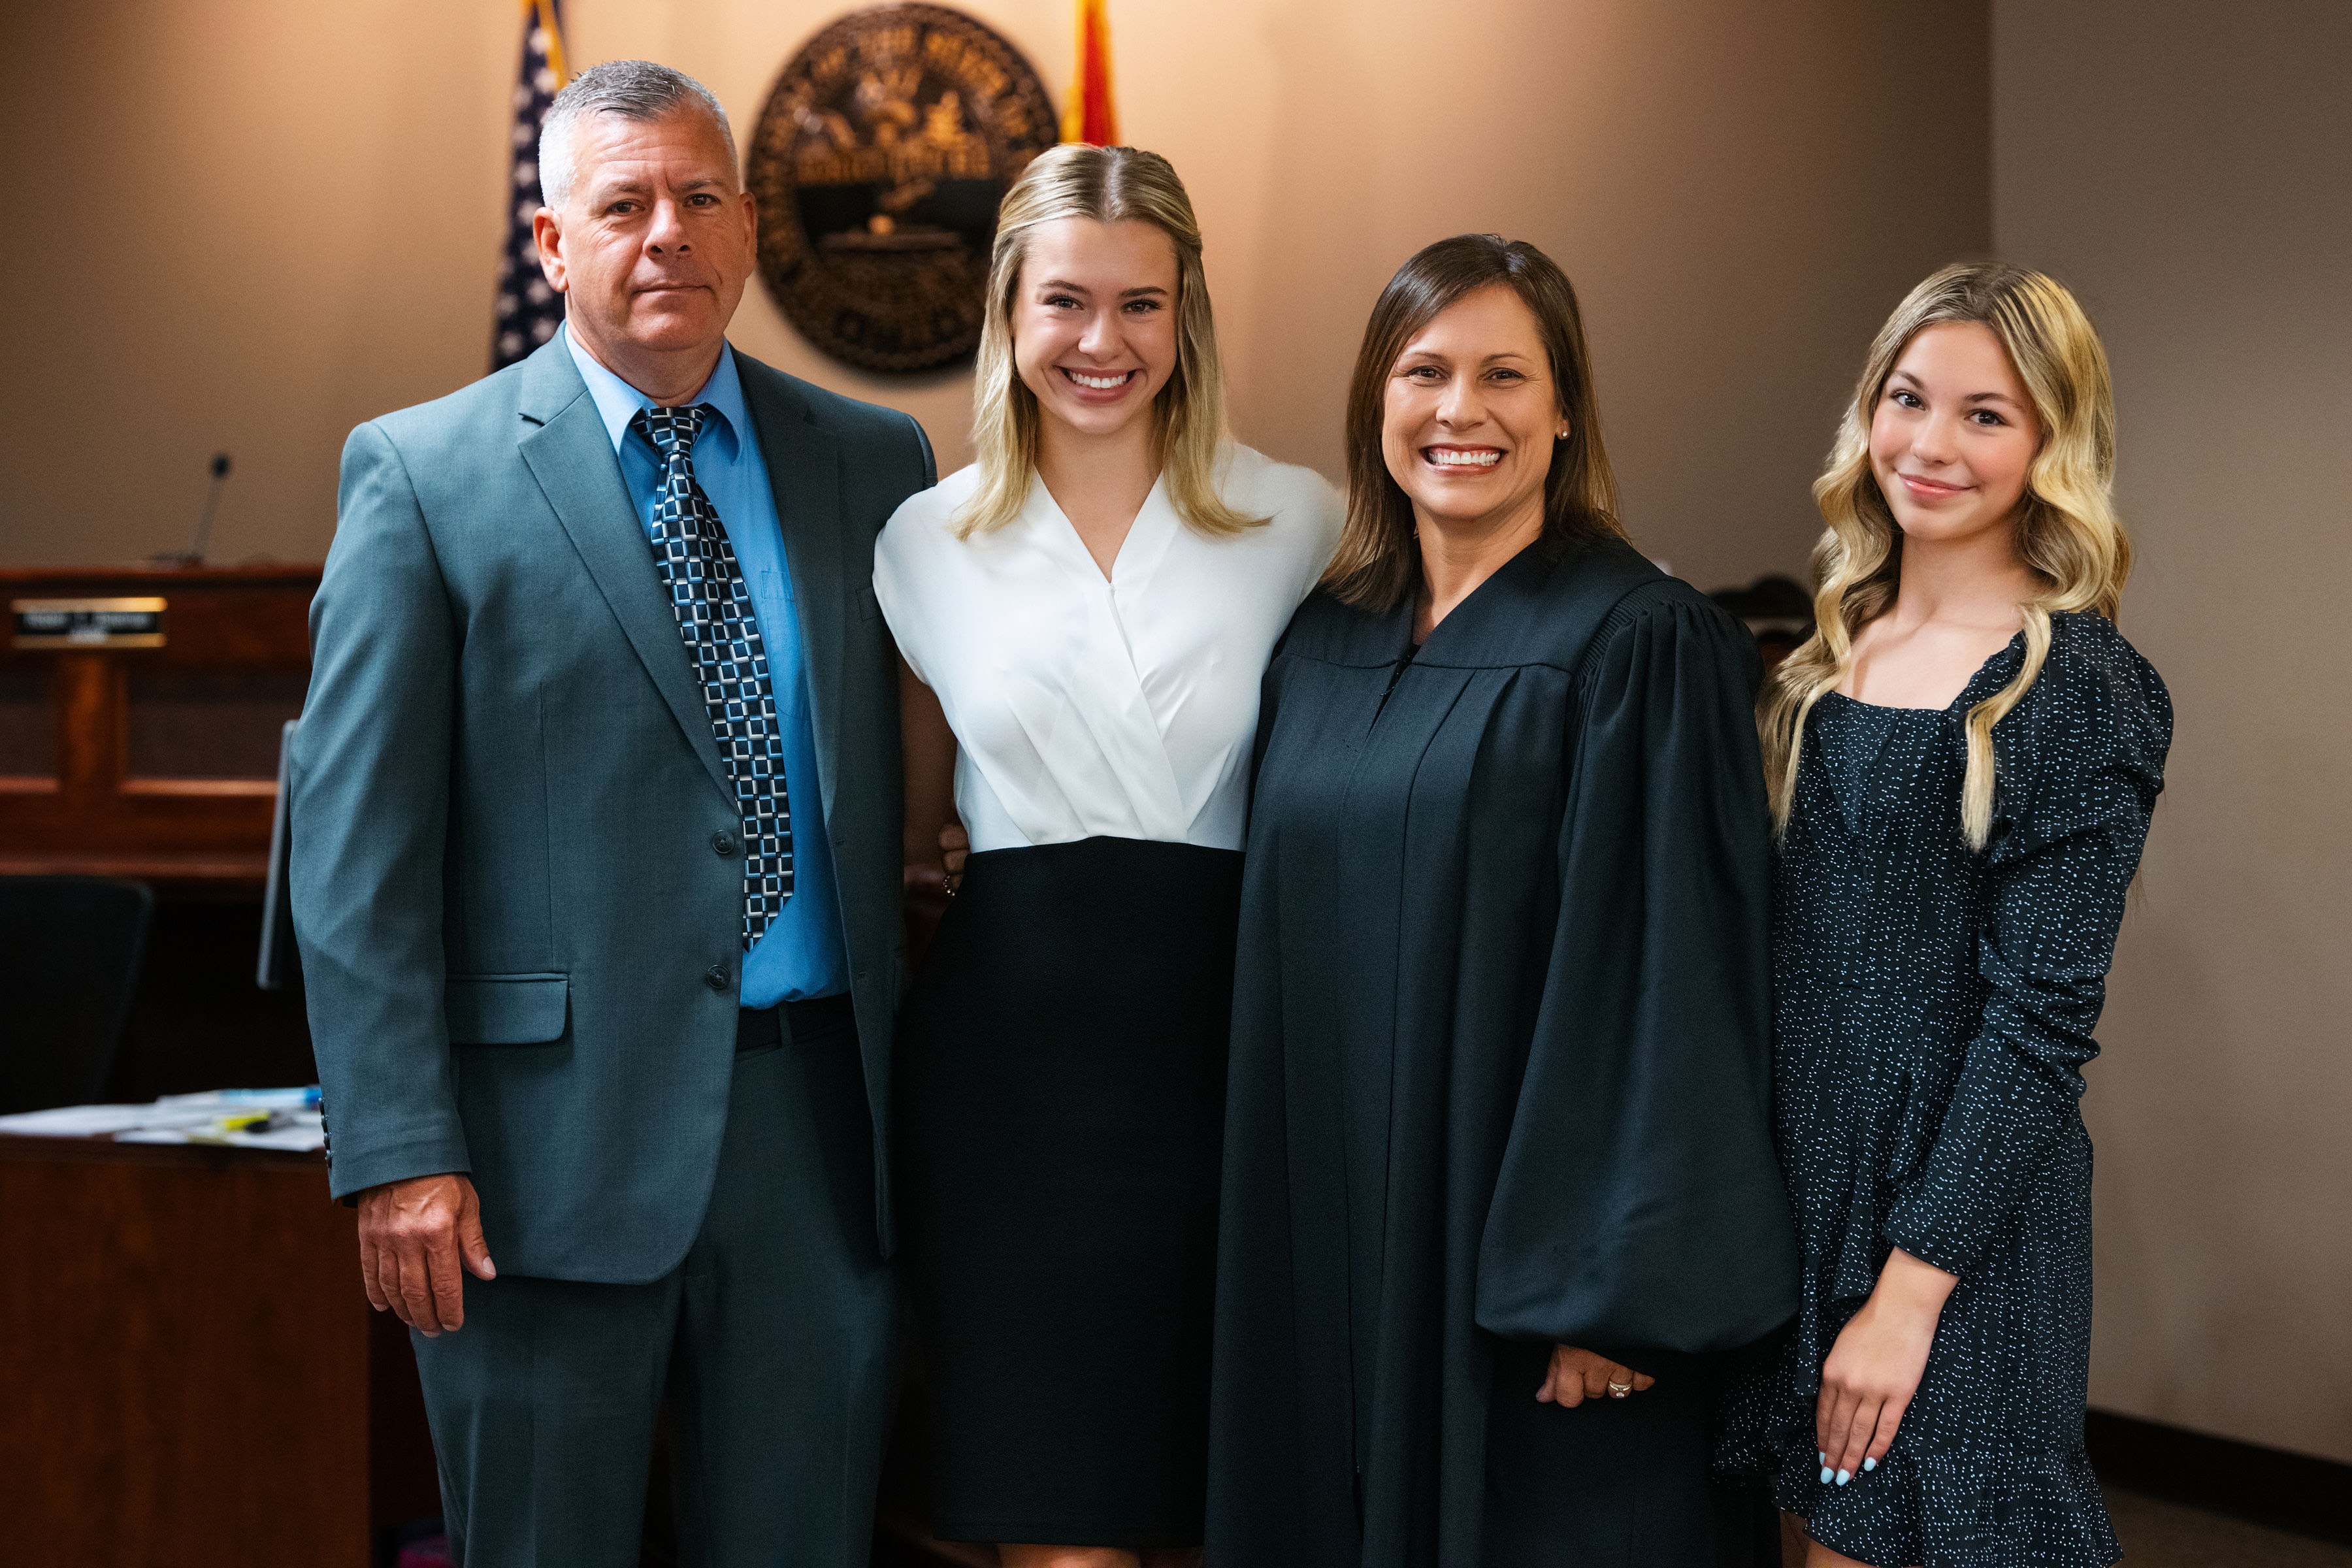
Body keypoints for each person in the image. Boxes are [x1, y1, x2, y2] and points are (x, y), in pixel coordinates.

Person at [290, 61, 933, 1568]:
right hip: (528, 1159)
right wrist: (396, 1147)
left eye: (700, 199)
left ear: (750, 225)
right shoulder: (423, 474)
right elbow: (355, 856)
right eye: (623, 204)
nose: (668, 237)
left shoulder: (873, 463)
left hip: (817, 1138)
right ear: (550, 242)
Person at [1203, 233, 1799, 1568]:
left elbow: (1677, 984)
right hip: (1342, 1247)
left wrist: (1615, 1295)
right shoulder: (1325, 640)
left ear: (1567, 408)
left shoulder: (1641, 642)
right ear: (1377, 403)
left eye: (1505, 376)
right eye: (1425, 371)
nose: (1459, 411)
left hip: (1534, 1286)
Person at [874, 144, 1343, 1568]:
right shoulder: (923, 542)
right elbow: (911, 839)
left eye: (1142, 305)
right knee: (1055, 1518)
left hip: (1242, 1059)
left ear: (1186, 315)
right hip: (1012, 1088)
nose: (1102, 342)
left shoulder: (1305, 523)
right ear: (1009, 312)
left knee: (1243, 1493)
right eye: (1066, 302)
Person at [1718, 263, 2170, 1568]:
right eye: (1908, 398)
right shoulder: (1823, 653)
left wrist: (1911, 1293)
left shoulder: (2079, 683)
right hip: (1810, 1189)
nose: (1931, 443)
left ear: (2050, 444)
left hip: (1957, 1231)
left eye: (1987, 413)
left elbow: (2041, 1023)